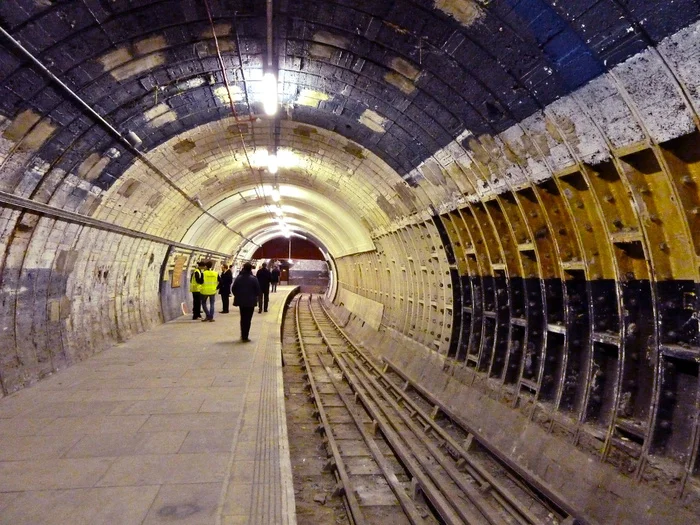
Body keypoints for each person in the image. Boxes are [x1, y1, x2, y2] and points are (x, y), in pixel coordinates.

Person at [232, 262, 261, 342]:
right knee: (248, 319)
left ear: (243, 268)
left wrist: (238, 296)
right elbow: (258, 291)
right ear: (251, 269)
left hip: (241, 302)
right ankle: (246, 336)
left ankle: (243, 334)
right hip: (251, 302)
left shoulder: (238, 278)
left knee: (243, 317)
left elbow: (233, 289)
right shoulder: (254, 279)